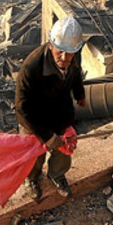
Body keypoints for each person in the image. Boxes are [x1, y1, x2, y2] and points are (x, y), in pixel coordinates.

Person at [15, 17, 86, 199]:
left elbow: (76, 73)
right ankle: (31, 179)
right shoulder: (32, 67)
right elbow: (23, 108)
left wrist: (79, 94)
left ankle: (57, 175)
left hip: (59, 111)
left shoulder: (73, 54)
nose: (64, 58)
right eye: (60, 51)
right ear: (50, 45)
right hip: (34, 117)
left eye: (69, 53)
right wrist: (46, 136)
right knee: (34, 153)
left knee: (64, 147)